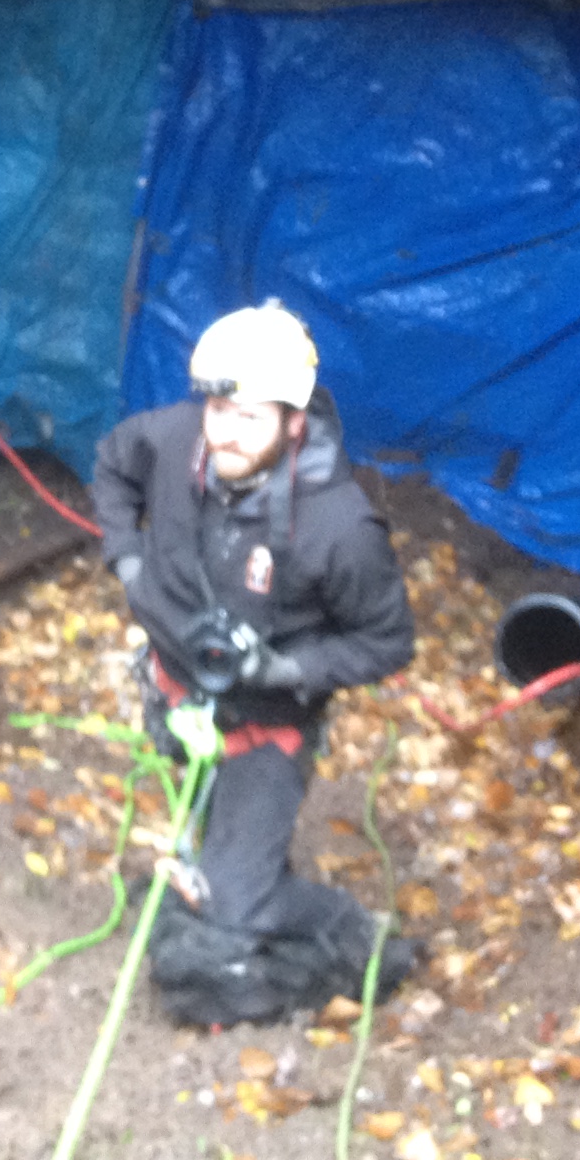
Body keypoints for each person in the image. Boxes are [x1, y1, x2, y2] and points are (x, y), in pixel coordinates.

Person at [91, 298, 417, 1010]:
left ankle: (353, 929)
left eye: (251, 420)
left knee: (236, 903)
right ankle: (238, 851)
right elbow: (112, 466)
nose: (226, 434)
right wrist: (128, 562)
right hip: (179, 687)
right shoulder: (176, 441)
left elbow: (388, 642)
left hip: (267, 719)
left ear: (294, 423)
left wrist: (287, 669)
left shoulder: (338, 528)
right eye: (218, 411)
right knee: (215, 838)